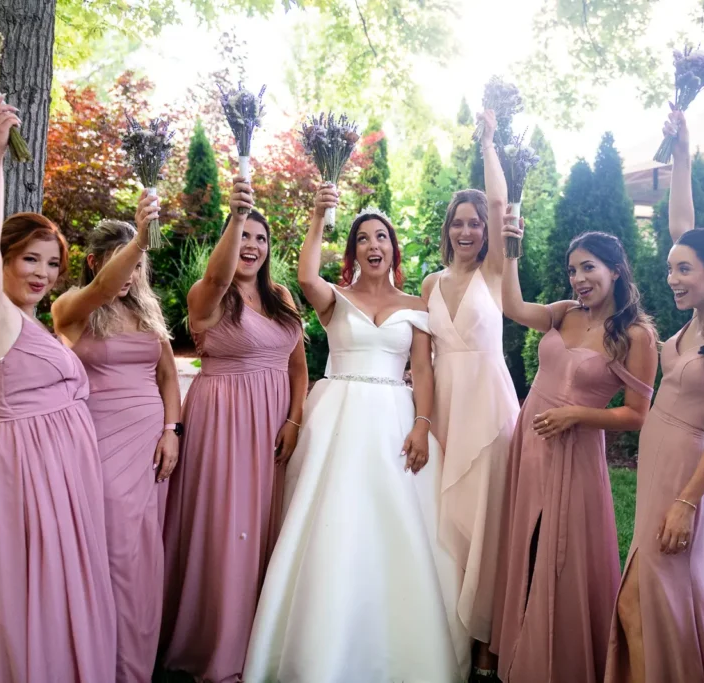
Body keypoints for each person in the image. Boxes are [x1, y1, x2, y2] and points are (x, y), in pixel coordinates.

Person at [243, 187, 470, 683]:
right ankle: (314, 647)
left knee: (394, 523)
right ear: (353, 253)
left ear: (393, 249)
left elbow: (423, 374)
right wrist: (321, 215)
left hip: (394, 421)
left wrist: (421, 424)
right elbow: (304, 275)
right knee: (332, 522)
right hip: (338, 420)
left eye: (382, 237)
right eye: (364, 238)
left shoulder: (416, 305)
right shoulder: (334, 298)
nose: (373, 244)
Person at [0, 96, 116, 682]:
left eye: (53, 263)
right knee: (24, 594)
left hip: (63, 482)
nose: (42, 273)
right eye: (29, 260)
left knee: (60, 590)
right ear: (4, 262)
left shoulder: (35, 321)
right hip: (18, 476)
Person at [605, 110, 704, 683]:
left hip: (687, 476)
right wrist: (681, 151)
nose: (672, 278)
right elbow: (683, 223)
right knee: (650, 601)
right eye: (670, 269)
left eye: (685, 270)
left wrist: (688, 502)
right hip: (657, 467)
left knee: (644, 601)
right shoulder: (690, 322)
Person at [491, 220, 658, 681]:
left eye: (589, 268)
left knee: (557, 552)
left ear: (617, 271)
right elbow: (512, 306)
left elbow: (638, 414)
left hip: (573, 450)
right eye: (573, 271)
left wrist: (577, 415)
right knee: (524, 542)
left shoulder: (637, 335)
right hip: (531, 440)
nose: (579, 279)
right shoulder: (565, 312)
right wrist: (511, 251)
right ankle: (519, 645)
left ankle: (556, 659)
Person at [161, 178, 307, 683]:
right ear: (227, 241)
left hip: (272, 423)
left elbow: (298, 369)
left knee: (264, 525)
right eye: (243, 235)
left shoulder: (281, 295)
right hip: (222, 422)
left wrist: (293, 420)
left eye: (260, 239)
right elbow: (219, 280)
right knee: (225, 526)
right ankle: (216, 644)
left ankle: (259, 637)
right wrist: (238, 211)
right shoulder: (209, 295)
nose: (252, 245)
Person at [52, 205, 181, 683]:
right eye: (122, 260)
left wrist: (173, 431)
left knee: (143, 553)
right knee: (111, 552)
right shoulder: (71, 307)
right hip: (97, 440)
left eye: (137, 263)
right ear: (94, 262)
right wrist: (141, 241)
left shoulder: (147, 309)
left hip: (151, 446)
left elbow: (168, 375)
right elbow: (106, 288)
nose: (131, 273)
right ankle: (95, 659)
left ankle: (135, 662)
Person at [420, 109, 520, 680]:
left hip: (488, 409)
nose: (466, 231)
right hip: (445, 412)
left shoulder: (495, 274)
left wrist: (488, 142)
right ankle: (449, 631)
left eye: (475, 223)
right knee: (444, 517)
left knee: (487, 522)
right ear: (447, 228)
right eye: (458, 222)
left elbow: (501, 204)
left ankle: (486, 644)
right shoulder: (431, 284)